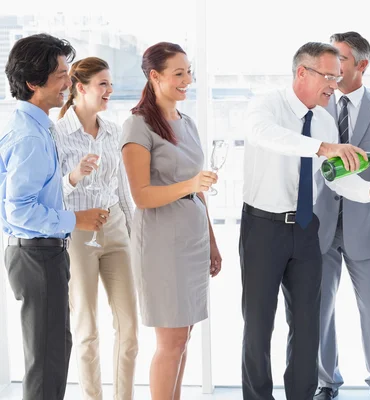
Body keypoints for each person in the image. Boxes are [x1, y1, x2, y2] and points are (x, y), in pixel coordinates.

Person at [241, 41, 370, 400]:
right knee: (259, 325)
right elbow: (265, 136)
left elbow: (335, 176)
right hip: (263, 227)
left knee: (308, 325)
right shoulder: (267, 105)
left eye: (337, 76)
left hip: (307, 230)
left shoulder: (325, 120)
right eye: (328, 76)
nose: (334, 84)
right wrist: (323, 147)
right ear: (302, 72)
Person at [0, 33, 108, 400]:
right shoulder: (30, 136)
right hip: (36, 254)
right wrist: (76, 219)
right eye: (61, 74)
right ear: (33, 82)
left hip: (38, 252)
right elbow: (18, 208)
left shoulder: (33, 127)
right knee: (47, 362)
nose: (69, 81)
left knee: (52, 353)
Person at [121, 42, 220, 400]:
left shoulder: (187, 122)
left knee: (184, 335)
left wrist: (211, 241)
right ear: (154, 76)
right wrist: (191, 185)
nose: (187, 80)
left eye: (188, 72)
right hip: (162, 243)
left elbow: (198, 188)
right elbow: (142, 195)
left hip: (192, 239)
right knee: (171, 339)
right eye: (178, 73)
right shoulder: (138, 125)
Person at [314, 31, 370, 400]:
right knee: (320, 309)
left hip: (365, 223)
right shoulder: (317, 108)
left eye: (342, 58)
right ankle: (325, 382)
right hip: (319, 225)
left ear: (361, 65)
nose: (333, 65)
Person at [55, 57, 138, 400]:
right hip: (77, 233)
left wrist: (133, 236)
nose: (110, 90)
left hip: (115, 226)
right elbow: (51, 194)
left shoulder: (113, 131)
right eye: (102, 84)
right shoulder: (55, 134)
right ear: (80, 88)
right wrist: (75, 176)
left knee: (130, 329)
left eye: (110, 83)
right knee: (86, 329)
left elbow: (121, 188)